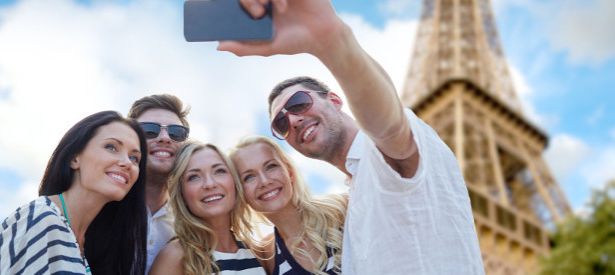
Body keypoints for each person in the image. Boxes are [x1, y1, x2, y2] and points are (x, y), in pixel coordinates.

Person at [218, 0, 485, 274]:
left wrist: (331, 41)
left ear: (334, 100)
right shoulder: (354, 198)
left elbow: (389, 127)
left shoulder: (379, 153)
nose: (294, 119)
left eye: (299, 103)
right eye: (281, 122)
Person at [0, 110, 148, 274]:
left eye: (135, 158)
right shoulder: (40, 218)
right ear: (75, 158)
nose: (127, 163)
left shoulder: (82, 244)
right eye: (111, 147)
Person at [230, 136, 347, 275]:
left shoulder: (342, 208)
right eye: (249, 177)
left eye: (271, 166)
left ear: (289, 172)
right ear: (240, 193)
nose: (264, 181)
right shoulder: (265, 255)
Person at [149, 141, 267, 275]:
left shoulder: (258, 253)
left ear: (235, 182)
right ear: (182, 195)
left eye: (219, 171)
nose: (209, 184)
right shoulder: (175, 257)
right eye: (194, 177)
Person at [128, 94, 191, 273]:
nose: (165, 138)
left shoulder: (193, 220)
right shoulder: (102, 206)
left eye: (176, 133)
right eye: (149, 130)